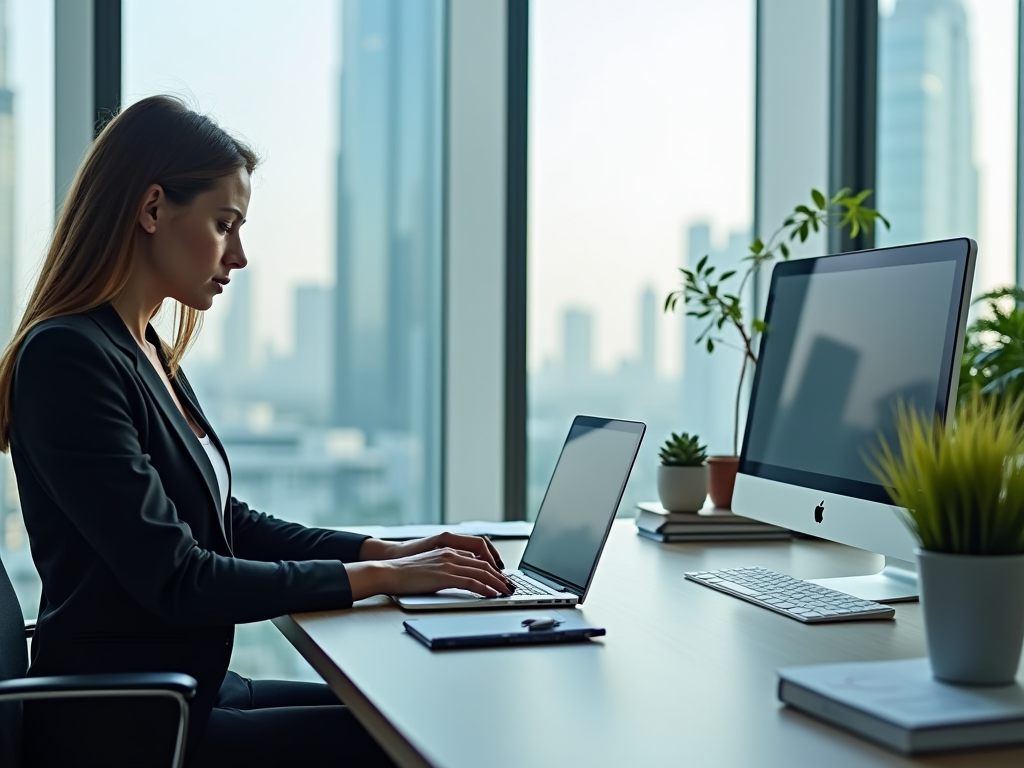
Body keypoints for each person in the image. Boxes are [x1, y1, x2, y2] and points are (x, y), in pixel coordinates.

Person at [0, 95, 513, 768]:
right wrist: (386, 576)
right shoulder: (68, 358)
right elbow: (180, 578)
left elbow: (225, 521)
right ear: (152, 209)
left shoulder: (143, 348)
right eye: (224, 224)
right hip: (129, 724)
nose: (238, 255)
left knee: (417, 712)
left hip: (190, 691)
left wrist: (380, 548)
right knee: (418, 742)